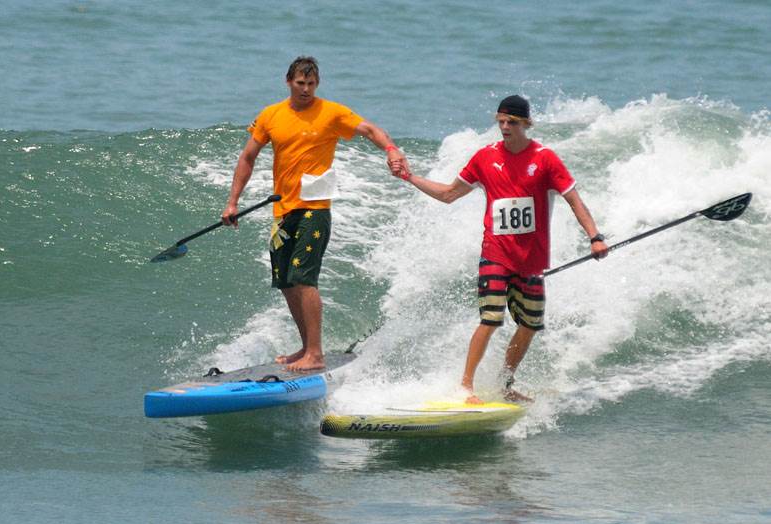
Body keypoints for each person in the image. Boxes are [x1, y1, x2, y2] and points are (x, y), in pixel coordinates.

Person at [389, 95, 609, 403]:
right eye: (501, 121)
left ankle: (504, 384)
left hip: (531, 260)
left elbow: (575, 201)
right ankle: (465, 387)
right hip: (495, 253)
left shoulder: (545, 159)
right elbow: (449, 194)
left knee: (530, 325)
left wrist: (595, 236)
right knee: (491, 317)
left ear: (526, 124)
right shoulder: (485, 157)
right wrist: (409, 177)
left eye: (512, 122)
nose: (505, 127)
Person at [223, 56, 403, 371]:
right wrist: (232, 202)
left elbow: (370, 129)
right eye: (300, 83)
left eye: (311, 84)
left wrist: (391, 150)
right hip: (283, 210)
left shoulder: (331, 112)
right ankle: (306, 347)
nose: (306, 89)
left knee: (303, 278)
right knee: (286, 282)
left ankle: (315, 354)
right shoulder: (270, 115)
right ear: (288, 82)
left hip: (315, 207)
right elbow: (248, 157)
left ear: (317, 84)